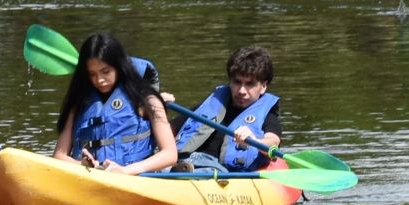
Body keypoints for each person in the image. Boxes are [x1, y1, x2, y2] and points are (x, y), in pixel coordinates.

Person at [50, 31, 179, 174]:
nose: (99, 80)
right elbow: (59, 156)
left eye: (105, 71)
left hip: (135, 176)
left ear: (119, 66)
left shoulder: (147, 99)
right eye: (92, 74)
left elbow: (170, 154)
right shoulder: (79, 102)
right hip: (90, 177)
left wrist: (126, 170)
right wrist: (82, 165)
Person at [176, 45, 285, 175]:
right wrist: (158, 107)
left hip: (218, 172)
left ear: (263, 86)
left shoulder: (268, 116)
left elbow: (273, 141)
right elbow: (167, 128)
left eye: (250, 84)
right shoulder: (211, 105)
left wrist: (255, 141)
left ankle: (186, 174)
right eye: (237, 82)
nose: (241, 91)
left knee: (209, 171)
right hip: (185, 160)